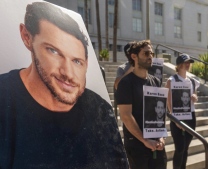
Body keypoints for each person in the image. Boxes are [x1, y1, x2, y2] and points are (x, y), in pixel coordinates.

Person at [0, 2, 128, 168]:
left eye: (76, 61)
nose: (68, 73)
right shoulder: (4, 100)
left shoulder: (99, 110)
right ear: (26, 37)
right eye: (53, 51)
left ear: (87, 64)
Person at [116, 40, 167, 169]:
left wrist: (161, 136)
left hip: (156, 143)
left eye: (152, 53)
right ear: (134, 56)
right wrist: (145, 140)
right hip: (137, 145)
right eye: (146, 53)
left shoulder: (155, 81)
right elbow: (126, 116)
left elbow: (158, 114)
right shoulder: (126, 83)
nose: (150, 56)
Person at [165, 53, 200, 169]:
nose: (188, 65)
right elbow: (168, 101)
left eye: (189, 62)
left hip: (190, 116)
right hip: (177, 117)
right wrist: (175, 119)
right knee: (179, 148)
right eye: (186, 62)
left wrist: (195, 97)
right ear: (179, 64)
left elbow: (195, 94)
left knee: (185, 148)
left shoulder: (193, 81)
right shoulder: (171, 80)